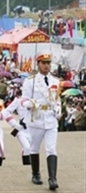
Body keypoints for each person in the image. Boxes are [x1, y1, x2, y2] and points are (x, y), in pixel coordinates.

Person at [21, 51, 61, 190]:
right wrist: (29, 104)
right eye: (43, 63)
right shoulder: (30, 81)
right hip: (36, 118)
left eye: (48, 63)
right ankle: (36, 173)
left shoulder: (55, 81)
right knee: (34, 148)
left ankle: (52, 179)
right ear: (38, 64)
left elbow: (57, 99)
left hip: (50, 118)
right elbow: (23, 100)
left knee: (51, 149)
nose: (46, 66)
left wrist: (58, 110)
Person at [4, 88, 31, 165]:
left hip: (32, 129)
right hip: (22, 128)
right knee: (27, 147)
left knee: (31, 149)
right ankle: (26, 165)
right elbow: (6, 112)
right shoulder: (18, 101)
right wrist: (14, 124)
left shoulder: (35, 100)